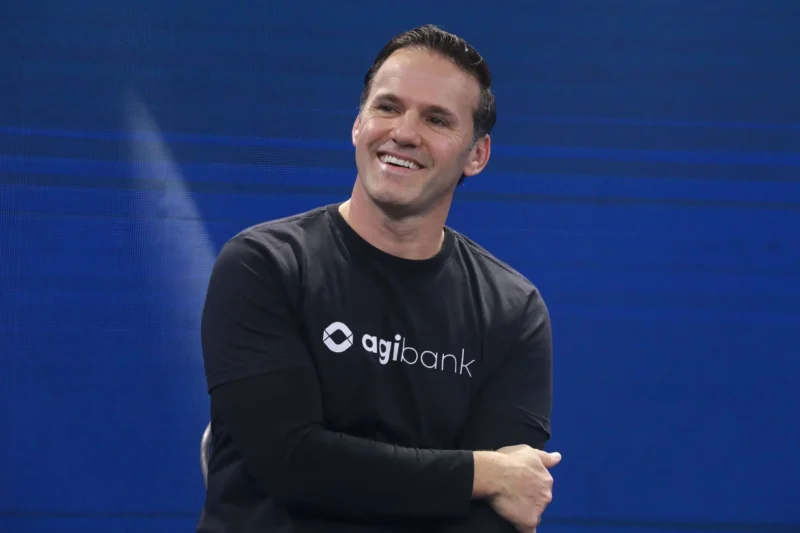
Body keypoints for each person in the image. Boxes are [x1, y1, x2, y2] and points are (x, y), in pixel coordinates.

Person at [197, 24, 561, 533]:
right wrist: (479, 473)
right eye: (388, 107)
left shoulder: (512, 310)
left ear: (476, 155)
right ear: (357, 124)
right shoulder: (265, 265)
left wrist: (482, 482)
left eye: (436, 119)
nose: (404, 133)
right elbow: (292, 463)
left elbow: (503, 509)